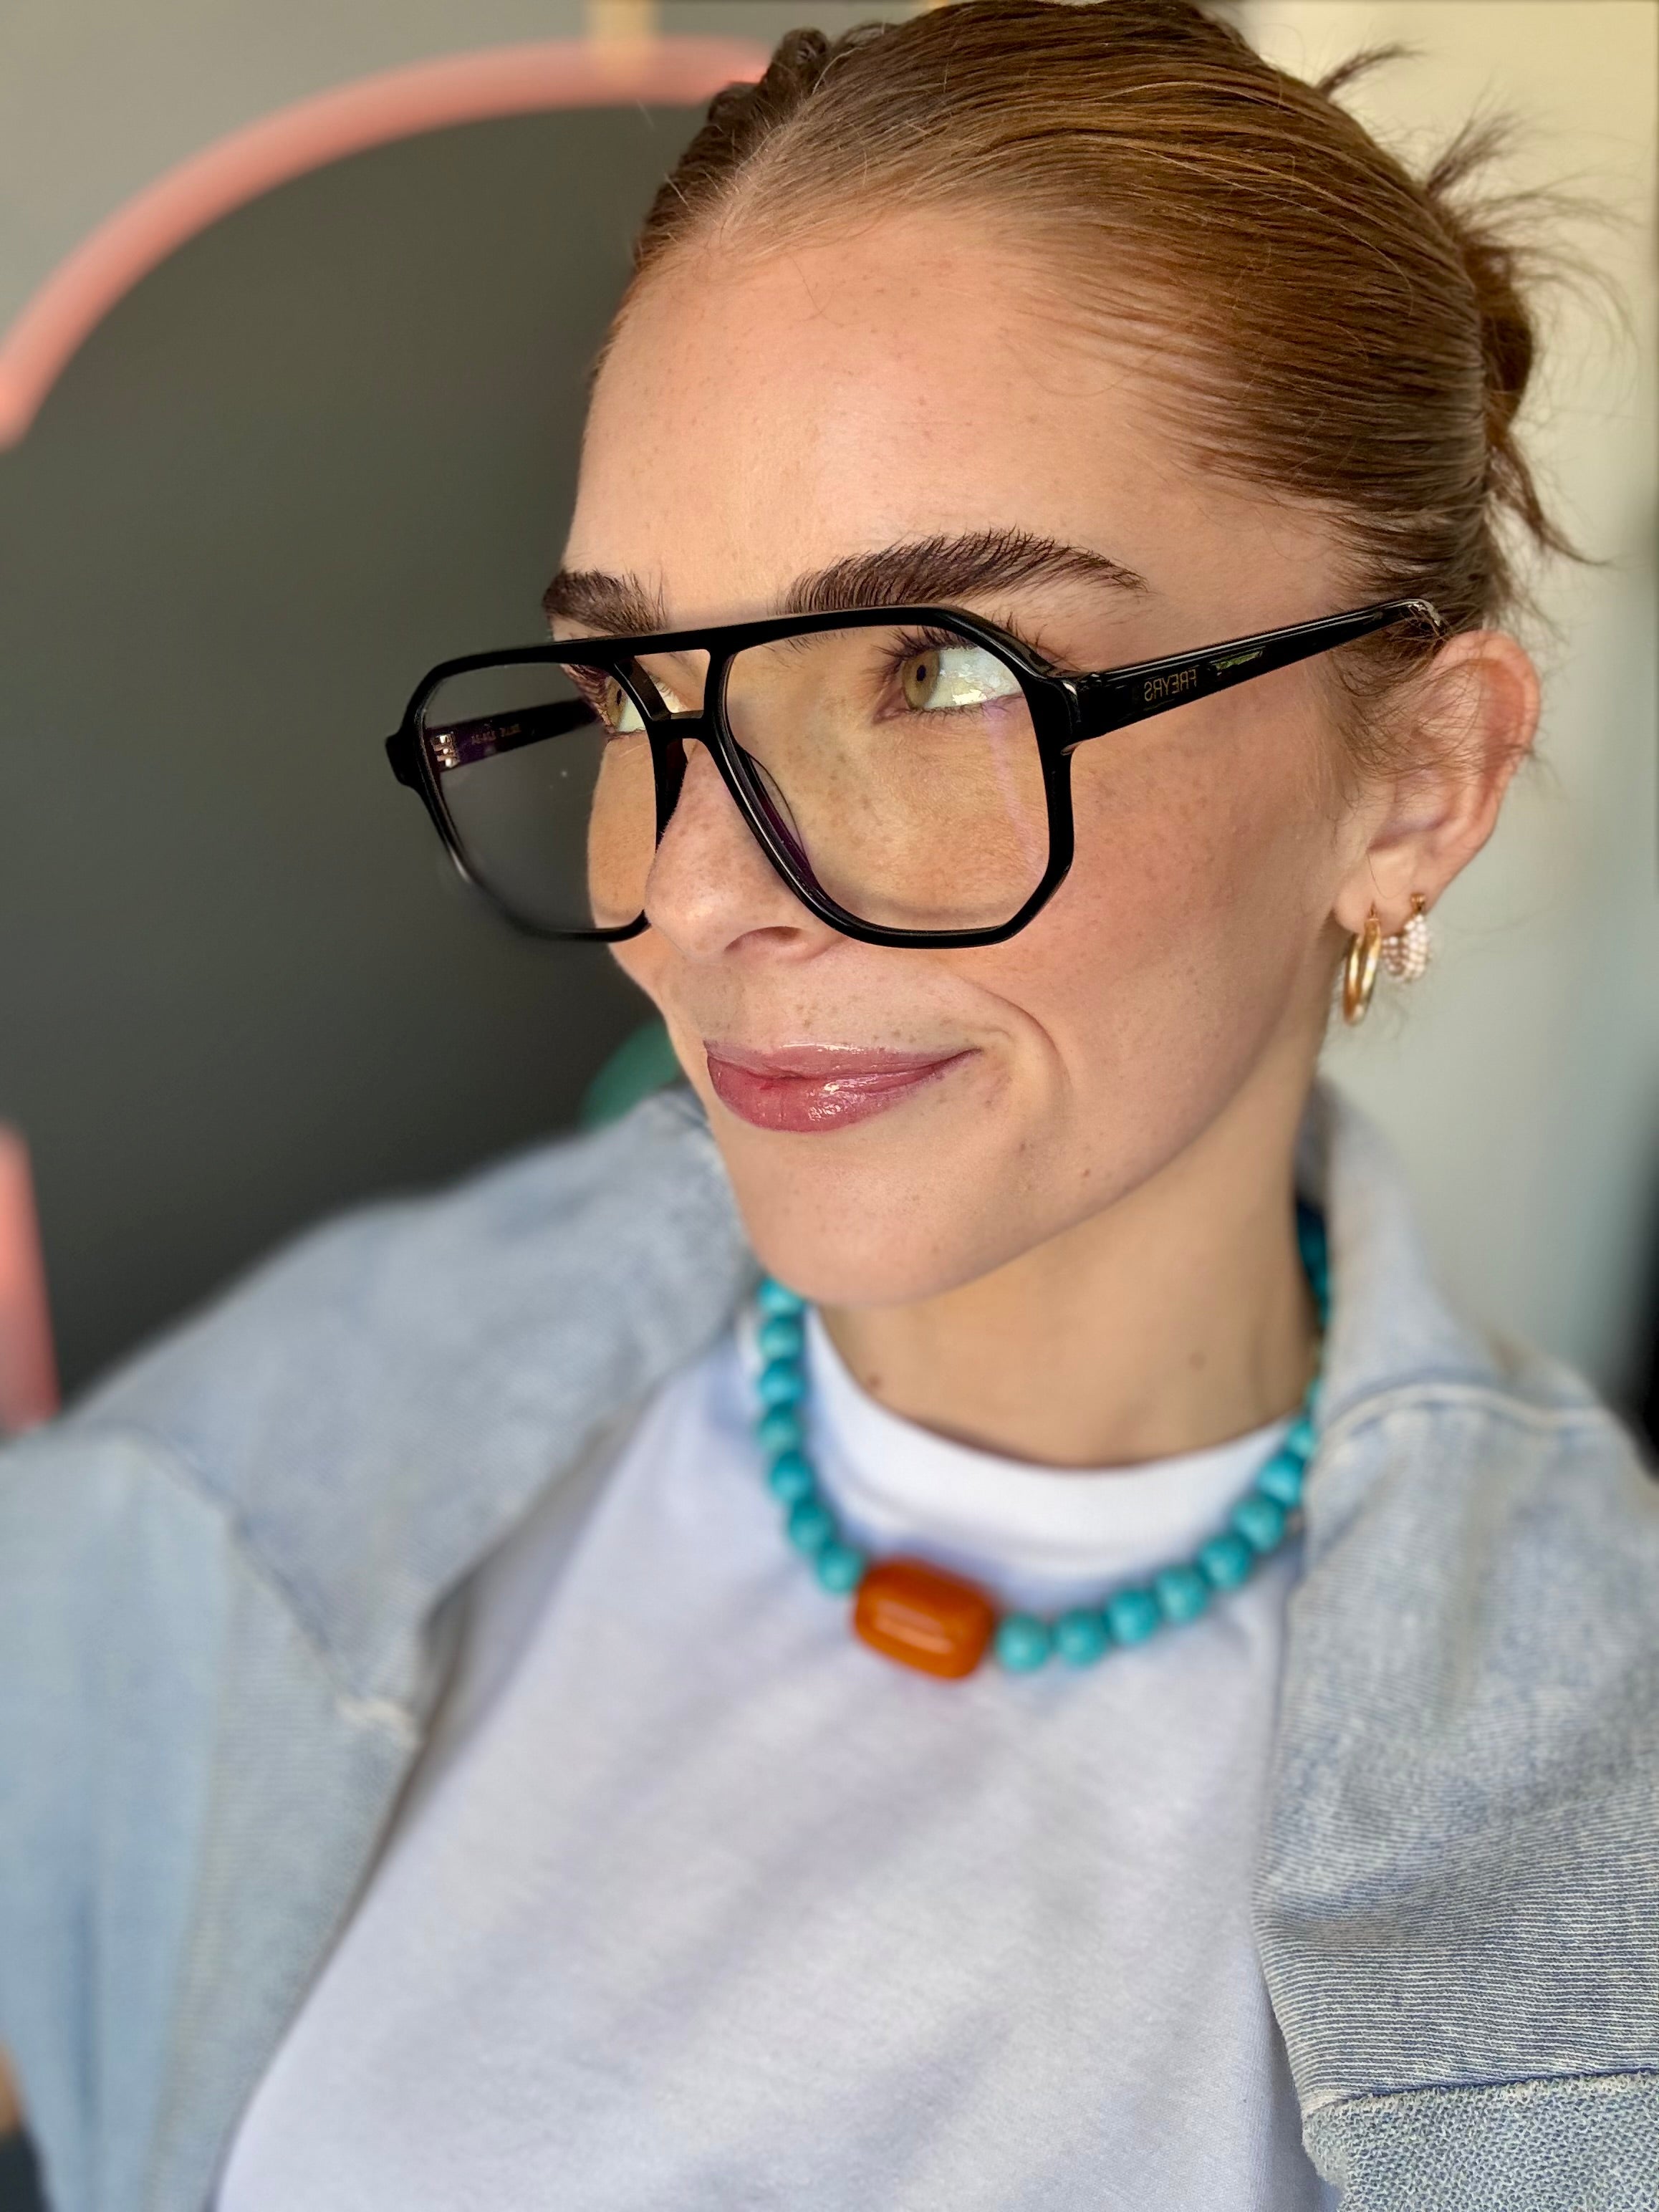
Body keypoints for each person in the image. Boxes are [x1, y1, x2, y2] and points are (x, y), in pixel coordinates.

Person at [2, 4, 1655, 2207]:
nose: (691, 892)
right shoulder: (274, 1451)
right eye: (627, 689)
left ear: (1417, 783)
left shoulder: (1601, 1847)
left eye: (943, 671)